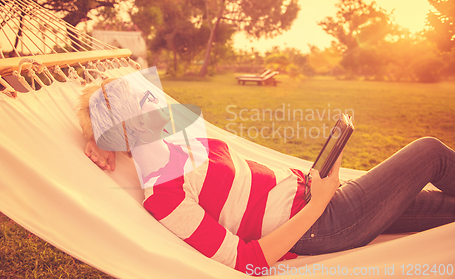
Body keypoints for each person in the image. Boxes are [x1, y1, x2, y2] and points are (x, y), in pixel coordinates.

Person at [77, 77, 455, 274]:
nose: (157, 103)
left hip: (316, 196)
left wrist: (98, 139)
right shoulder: (164, 195)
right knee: (430, 152)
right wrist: (320, 202)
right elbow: (248, 263)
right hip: (323, 223)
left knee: (445, 210)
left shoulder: (176, 140)